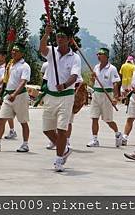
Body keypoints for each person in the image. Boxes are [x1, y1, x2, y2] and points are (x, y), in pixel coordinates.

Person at [39, 25, 81, 172]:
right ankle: (64, 149)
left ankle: (58, 160)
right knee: (47, 130)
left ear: (69, 40)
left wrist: (64, 85)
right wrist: (46, 35)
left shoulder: (75, 57)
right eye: (58, 36)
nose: (59, 38)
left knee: (62, 129)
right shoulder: (51, 51)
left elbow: (74, 76)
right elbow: (42, 49)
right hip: (51, 96)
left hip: (66, 96)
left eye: (63, 36)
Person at [0, 43, 31, 153]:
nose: (13, 52)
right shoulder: (9, 65)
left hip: (20, 96)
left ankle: (25, 144)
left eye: (16, 51)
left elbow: (23, 82)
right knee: (1, 119)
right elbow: (6, 81)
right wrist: (2, 95)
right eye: (13, 50)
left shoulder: (25, 66)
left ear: (22, 53)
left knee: (23, 121)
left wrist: (15, 94)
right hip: (8, 95)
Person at [87, 48, 123, 148]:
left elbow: (115, 83)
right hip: (96, 93)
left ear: (106, 56)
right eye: (97, 54)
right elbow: (92, 82)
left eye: (101, 54)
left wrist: (115, 98)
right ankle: (94, 139)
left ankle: (117, 133)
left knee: (108, 120)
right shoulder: (96, 67)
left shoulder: (112, 68)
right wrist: (92, 77)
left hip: (107, 94)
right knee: (94, 117)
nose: (98, 56)